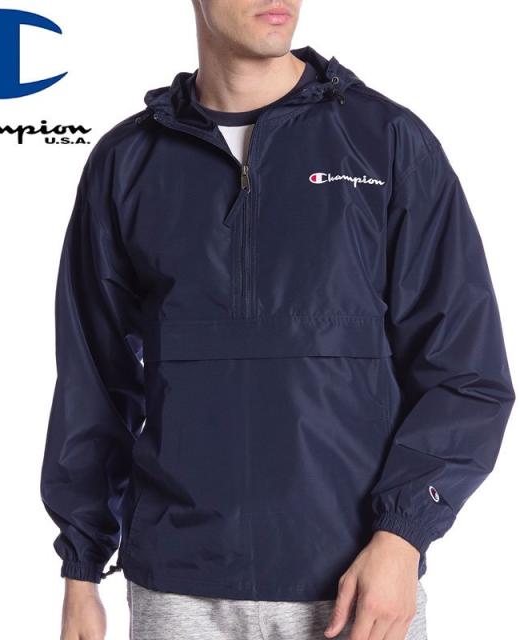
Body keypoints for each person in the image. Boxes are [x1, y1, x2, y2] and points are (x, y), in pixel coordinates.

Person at [39, 1, 516, 639]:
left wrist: (403, 536)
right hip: (178, 587)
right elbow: (93, 380)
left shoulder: (386, 140)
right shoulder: (127, 161)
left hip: (354, 583)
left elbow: (466, 371)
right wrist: (81, 570)